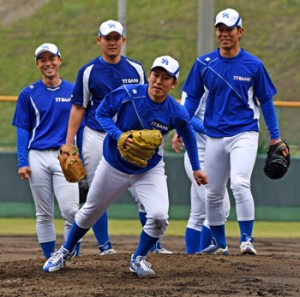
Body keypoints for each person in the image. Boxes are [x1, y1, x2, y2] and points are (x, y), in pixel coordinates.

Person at [43, 55, 208, 277]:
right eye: (156, 74)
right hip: (114, 166)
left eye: (166, 78)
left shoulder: (175, 111)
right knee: (90, 212)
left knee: (159, 216)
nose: (159, 81)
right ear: (149, 75)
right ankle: (64, 251)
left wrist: (197, 166)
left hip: (148, 170)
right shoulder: (128, 94)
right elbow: (101, 113)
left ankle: (138, 258)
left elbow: (187, 131)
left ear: (173, 83)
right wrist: (118, 135)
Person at [182, 8, 289, 255]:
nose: (224, 33)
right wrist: (179, 125)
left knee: (240, 184)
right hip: (215, 135)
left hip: (244, 132)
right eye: (220, 28)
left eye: (230, 29)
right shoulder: (203, 64)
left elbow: (267, 102)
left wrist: (275, 136)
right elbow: (190, 103)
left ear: (240, 32)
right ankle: (220, 244)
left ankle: (246, 239)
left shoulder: (254, 65)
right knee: (213, 193)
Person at [65, 19, 171, 255]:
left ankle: (154, 245)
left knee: (144, 190)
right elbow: (78, 108)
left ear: (123, 40)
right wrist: (69, 141)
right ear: (99, 41)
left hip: (131, 136)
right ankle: (105, 247)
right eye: (107, 38)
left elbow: (150, 101)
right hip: (96, 134)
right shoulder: (88, 71)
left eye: (116, 38)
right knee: (96, 194)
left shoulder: (136, 69)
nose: (112, 42)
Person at [12, 43, 81, 259]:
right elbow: (23, 130)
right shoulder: (28, 93)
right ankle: (50, 257)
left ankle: (70, 256)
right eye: (43, 60)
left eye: (52, 58)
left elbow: (85, 125)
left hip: (65, 154)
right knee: (43, 214)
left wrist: (83, 155)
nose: (48, 63)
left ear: (60, 60)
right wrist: (23, 161)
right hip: (38, 155)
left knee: (71, 211)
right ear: (37, 64)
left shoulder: (74, 91)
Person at [171, 96, 231, 254]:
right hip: (198, 157)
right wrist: (211, 129)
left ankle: (192, 259)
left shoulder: (225, 82)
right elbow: (186, 116)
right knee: (220, 208)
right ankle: (205, 258)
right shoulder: (196, 84)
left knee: (198, 215)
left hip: (216, 157)